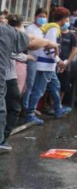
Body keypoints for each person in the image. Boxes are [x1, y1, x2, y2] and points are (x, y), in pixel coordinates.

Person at [0, 20, 59, 152]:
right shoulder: (5, 31)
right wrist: (48, 43)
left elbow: (29, 39)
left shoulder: (6, 31)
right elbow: (31, 42)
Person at [25, 7, 72, 125]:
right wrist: (58, 61)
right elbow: (49, 48)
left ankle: (58, 108)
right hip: (45, 65)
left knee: (56, 85)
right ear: (64, 18)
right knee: (39, 90)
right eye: (67, 19)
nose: (67, 21)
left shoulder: (52, 28)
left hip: (48, 65)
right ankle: (30, 114)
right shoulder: (53, 29)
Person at [2, 15, 35, 148]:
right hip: (8, 77)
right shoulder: (11, 34)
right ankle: (2, 139)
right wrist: (27, 57)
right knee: (14, 108)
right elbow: (12, 52)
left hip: (10, 75)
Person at [23, 8, 48, 114]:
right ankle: (25, 108)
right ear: (35, 16)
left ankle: (32, 107)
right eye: (40, 16)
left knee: (37, 85)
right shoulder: (30, 29)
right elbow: (29, 45)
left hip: (42, 60)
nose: (42, 19)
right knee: (29, 84)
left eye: (44, 17)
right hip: (32, 59)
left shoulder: (45, 29)